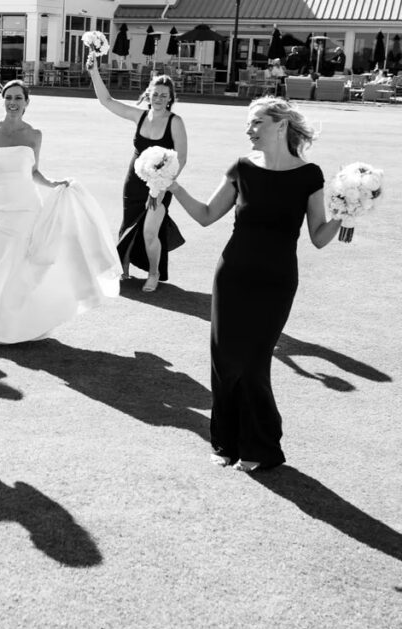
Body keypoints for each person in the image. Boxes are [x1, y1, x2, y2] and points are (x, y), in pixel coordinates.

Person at [166, 97, 341, 472]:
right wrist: (173, 187)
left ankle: (261, 447)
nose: (249, 129)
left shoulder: (309, 175)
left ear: (281, 125)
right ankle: (226, 443)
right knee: (224, 360)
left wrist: (348, 212)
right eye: (248, 123)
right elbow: (207, 216)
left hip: (276, 281)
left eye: (257, 122)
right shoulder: (241, 169)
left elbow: (319, 236)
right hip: (232, 276)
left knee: (253, 362)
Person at [0, 80, 122, 344]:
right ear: (3, 100)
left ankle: (15, 324)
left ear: (27, 102)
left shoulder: (34, 134)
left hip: (28, 207)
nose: (13, 103)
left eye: (18, 98)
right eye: (8, 98)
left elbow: (33, 171)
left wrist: (52, 183)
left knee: (19, 266)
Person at [87, 58, 187, 292]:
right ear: (149, 94)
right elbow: (106, 100)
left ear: (170, 98)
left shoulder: (175, 122)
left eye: (164, 95)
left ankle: (154, 273)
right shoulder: (139, 116)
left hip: (161, 184)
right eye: (156, 94)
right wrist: (93, 72)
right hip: (134, 181)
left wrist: (162, 185)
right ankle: (124, 267)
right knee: (129, 224)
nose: (159, 98)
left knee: (150, 231)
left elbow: (181, 158)